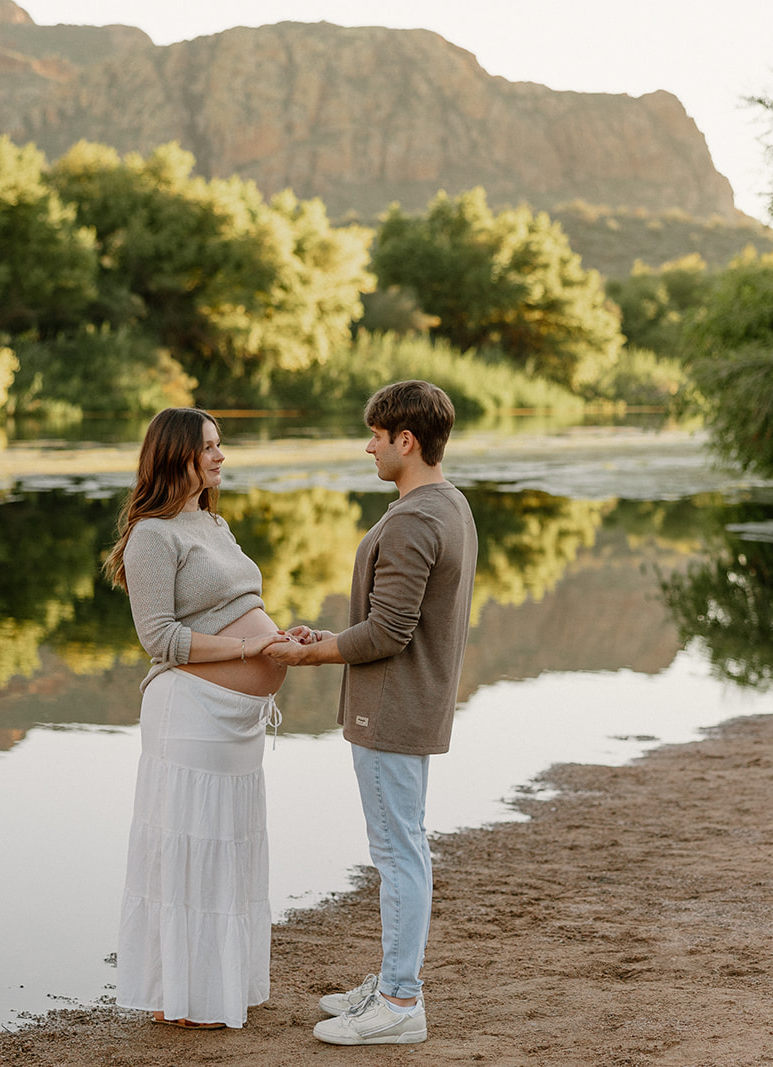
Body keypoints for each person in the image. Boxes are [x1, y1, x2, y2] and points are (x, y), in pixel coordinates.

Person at [266, 380, 477, 1046]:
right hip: (406, 705)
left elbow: (388, 631)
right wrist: (327, 637)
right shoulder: (449, 502)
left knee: (397, 852)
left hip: (391, 711)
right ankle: (390, 978)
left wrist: (315, 652)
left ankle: (399, 999)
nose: (369, 446)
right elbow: (394, 619)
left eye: (376, 436)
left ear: (404, 440)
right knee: (400, 847)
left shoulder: (416, 517)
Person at [104, 406, 291, 1031]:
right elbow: (159, 637)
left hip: (235, 723)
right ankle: (176, 998)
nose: (219, 457)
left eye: (219, 445)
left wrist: (279, 636)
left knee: (227, 848)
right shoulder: (153, 536)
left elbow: (240, 603)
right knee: (188, 850)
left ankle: (214, 991)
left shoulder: (214, 522)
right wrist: (249, 649)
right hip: (189, 712)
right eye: (206, 447)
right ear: (173, 455)